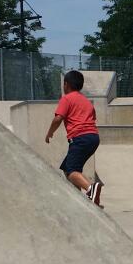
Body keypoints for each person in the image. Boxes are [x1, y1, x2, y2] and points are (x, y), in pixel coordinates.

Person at [45, 70, 104, 205]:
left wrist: (50, 133)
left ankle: (91, 188)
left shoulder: (67, 98)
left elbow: (58, 118)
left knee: (72, 170)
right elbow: (93, 118)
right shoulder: (86, 101)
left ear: (66, 84)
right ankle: (80, 199)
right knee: (67, 168)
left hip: (79, 138)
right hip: (93, 138)